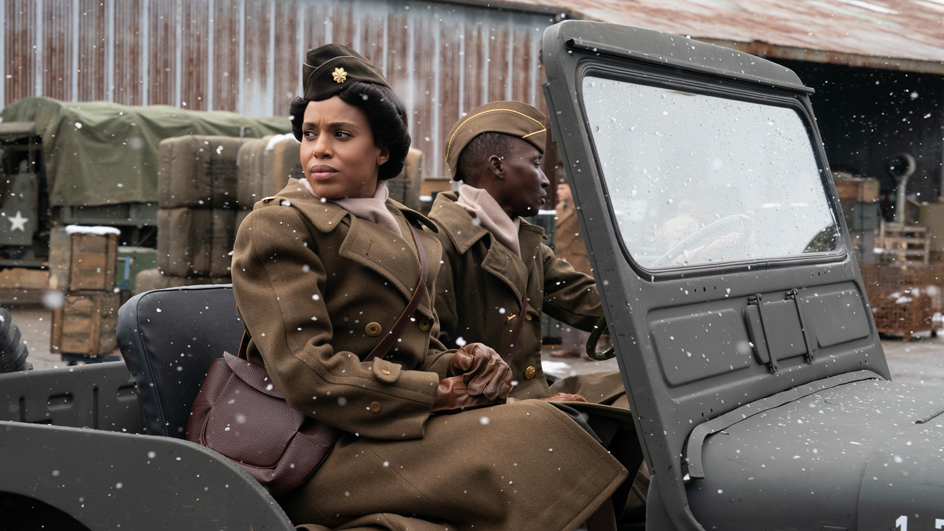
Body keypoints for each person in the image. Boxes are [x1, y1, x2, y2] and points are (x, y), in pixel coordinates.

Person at [231, 45, 627, 531]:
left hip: (388, 428)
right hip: (320, 448)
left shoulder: (407, 229)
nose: (320, 149)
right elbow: (309, 374)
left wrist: (462, 361)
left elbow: (415, 347)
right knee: (536, 442)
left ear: (382, 150)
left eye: (342, 134)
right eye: (310, 133)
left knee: (569, 432)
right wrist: (438, 392)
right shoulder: (279, 224)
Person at [551, 181, 595, 358]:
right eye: (558, 188)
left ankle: (590, 348)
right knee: (566, 301)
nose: (558, 191)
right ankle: (571, 346)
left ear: (572, 188)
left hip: (581, 260)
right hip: (564, 260)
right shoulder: (560, 208)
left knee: (585, 302)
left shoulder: (581, 206)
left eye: (562, 188)